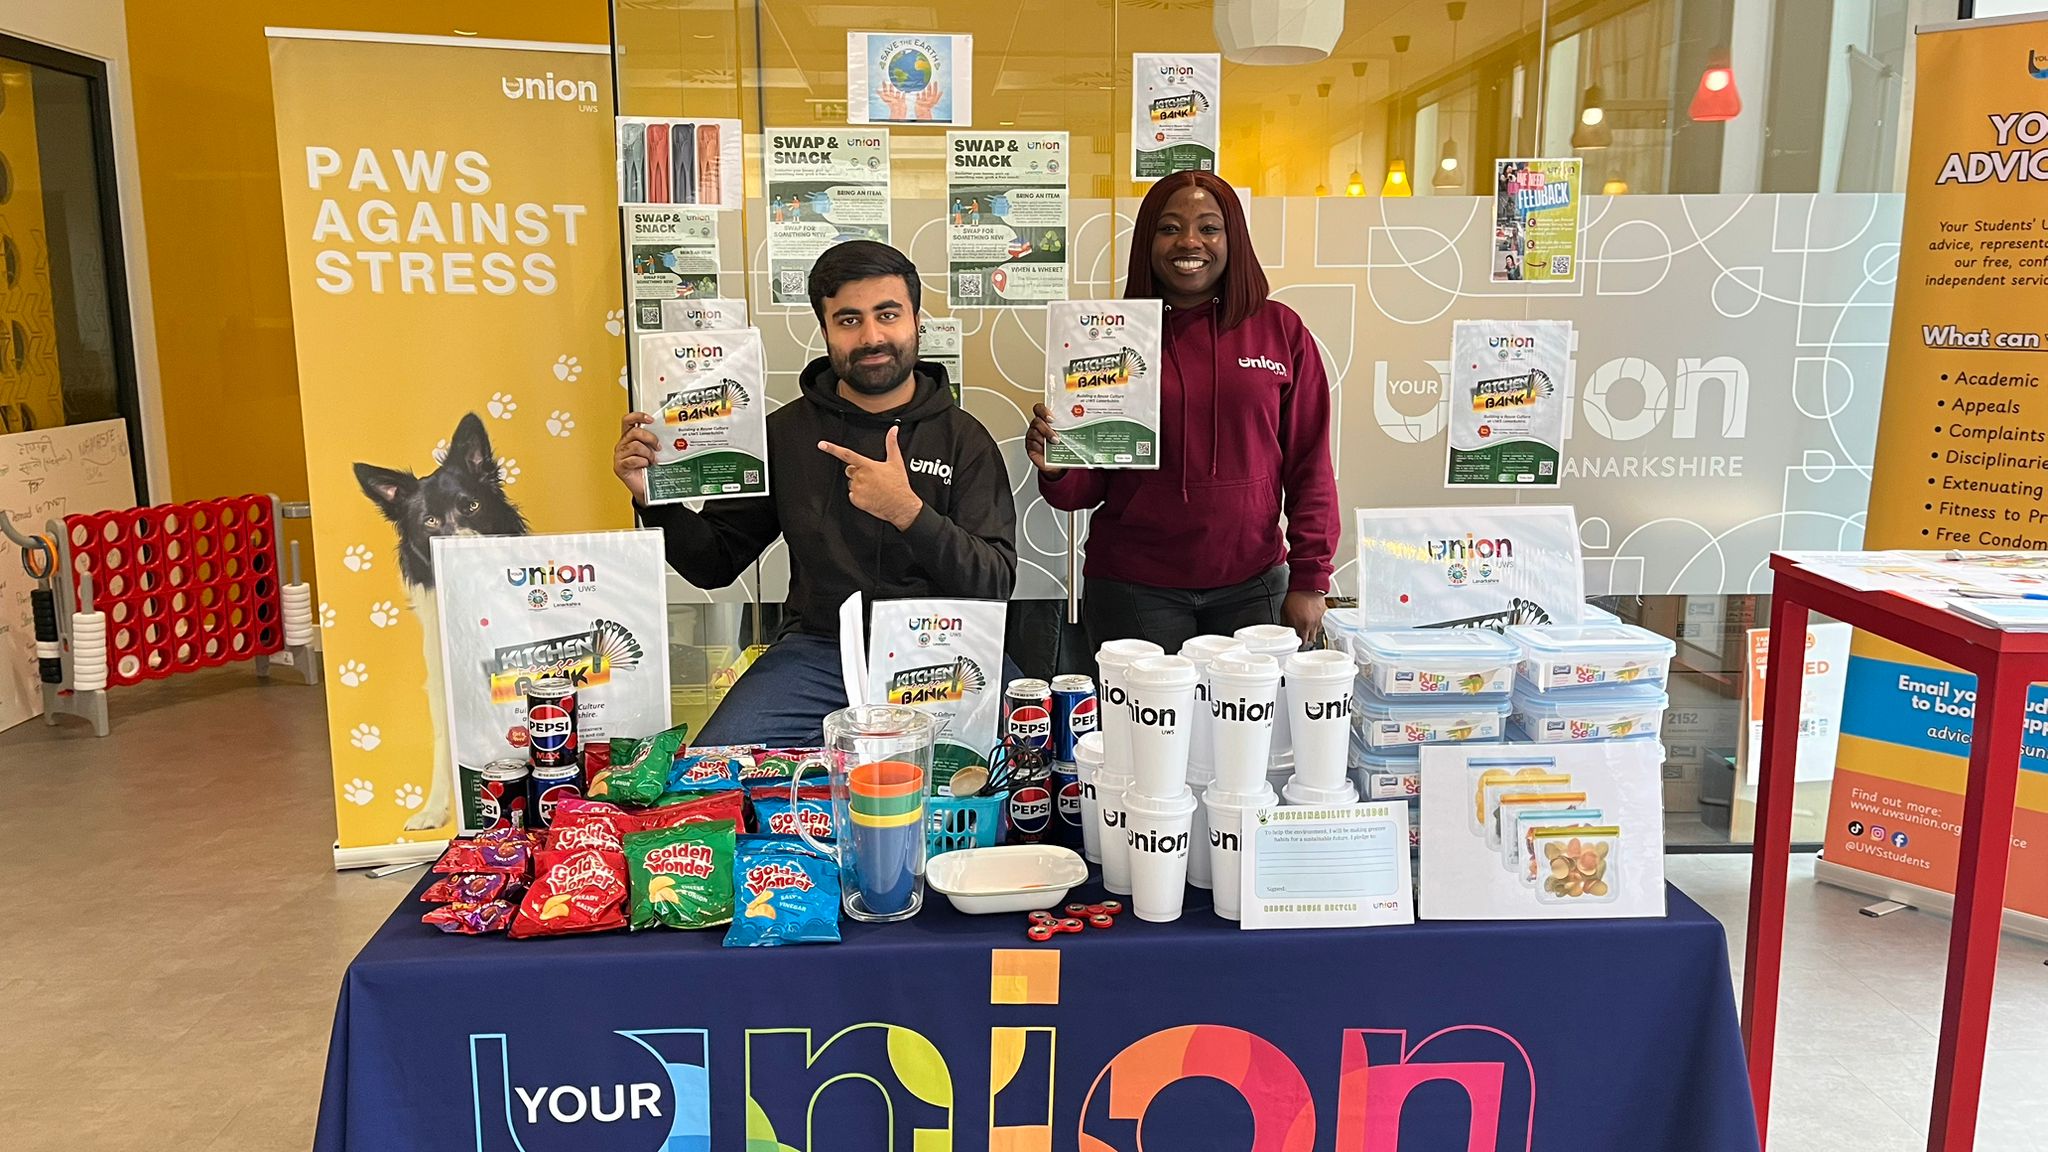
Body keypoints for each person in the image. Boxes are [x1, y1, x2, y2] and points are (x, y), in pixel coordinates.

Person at [616, 240, 1018, 745]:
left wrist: (909, 512)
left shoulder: (964, 438)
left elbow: (995, 582)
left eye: (887, 314)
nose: (872, 336)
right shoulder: (784, 435)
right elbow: (713, 564)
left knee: (1026, 762)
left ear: (917, 321)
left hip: (946, 648)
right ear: (825, 330)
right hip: (819, 650)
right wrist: (658, 500)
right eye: (849, 320)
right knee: (712, 771)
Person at [1026, 170, 1338, 655]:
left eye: (1209, 228)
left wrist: (1311, 578)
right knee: (1139, 732)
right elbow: (1088, 488)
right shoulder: (1111, 336)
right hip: (1133, 586)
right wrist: (1061, 464)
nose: (1189, 241)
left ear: (1232, 237)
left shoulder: (1280, 330)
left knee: (1246, 731)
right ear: (1148, 241)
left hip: (1251, 584)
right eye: (1169, 227)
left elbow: (1310, 465)